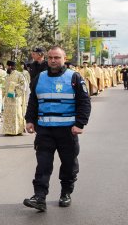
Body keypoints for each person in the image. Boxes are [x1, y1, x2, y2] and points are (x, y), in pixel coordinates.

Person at [23, 46, 91, 212]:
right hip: (45, 130)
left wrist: (80, 124)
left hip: (67, 131)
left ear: (64, 58)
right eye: (51, 57)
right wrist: (30, 120)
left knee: (68, 165)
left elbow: (84, 102)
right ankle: (39, 197)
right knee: (43, 165)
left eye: (57, 58)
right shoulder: (40, 77)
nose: (53, 60)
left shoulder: (74, 77)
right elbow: (33, 100)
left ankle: (65, 193)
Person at [2, 60, 26, 136]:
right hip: (7, 99)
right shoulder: (6, 76)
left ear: (10, 66)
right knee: (7, 114)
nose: (6, 68)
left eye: (7, 66)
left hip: (16, 98)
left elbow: (23, 85)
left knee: (17, 114)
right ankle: (8, 130)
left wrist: (15, 88)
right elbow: (4, 87)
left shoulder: (19, 75)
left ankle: (18, 130)